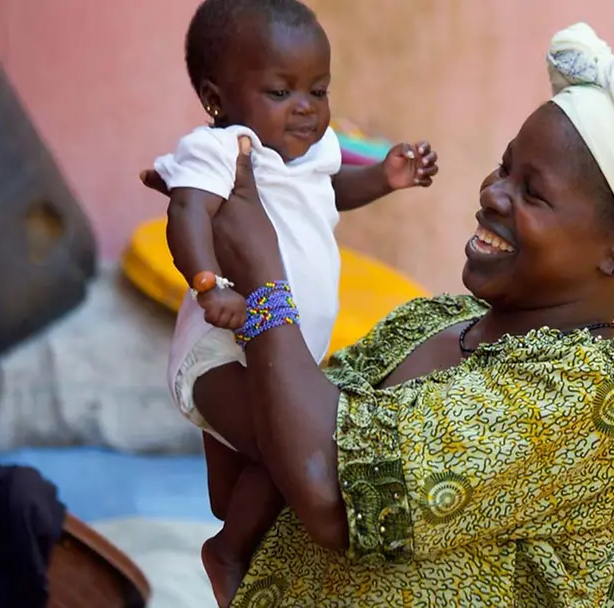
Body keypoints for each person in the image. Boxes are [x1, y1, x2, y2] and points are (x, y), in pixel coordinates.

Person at [141, 21, 614, 607]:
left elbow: (330, 494)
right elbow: (265, 466)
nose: (492, 191)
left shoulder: (581, 397)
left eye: (531, 191)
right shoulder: (431, 321)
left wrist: (267, 282)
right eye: (505, 166)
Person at [152, 0, 437, 602]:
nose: (306, 107)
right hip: (220, 351)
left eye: (319, 89)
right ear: (216, 98)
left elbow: (331, 193)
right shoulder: (225, 148)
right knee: (289, 456)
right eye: (281, 92)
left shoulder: (316, 151)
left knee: (250, 476)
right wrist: (211, 284)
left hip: (278, 358)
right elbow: (187, 213)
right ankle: (226, 552)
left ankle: (230, 520)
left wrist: (385, 179)